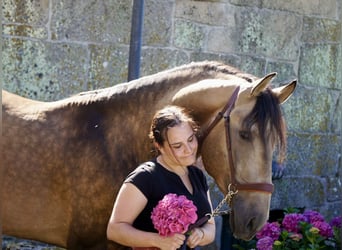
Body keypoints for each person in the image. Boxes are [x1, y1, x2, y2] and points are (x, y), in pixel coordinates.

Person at [107, 105, 216, 250]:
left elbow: (211, 227)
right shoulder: (145, 178)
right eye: (178, 146)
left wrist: (201, 234)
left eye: (191, 139)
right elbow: (114, 230)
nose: (189, 150)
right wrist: (157, 240)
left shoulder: (198, 175)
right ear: (159, 146)